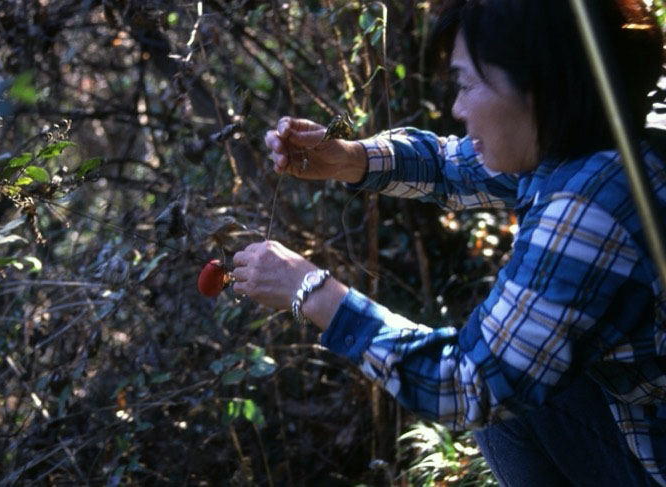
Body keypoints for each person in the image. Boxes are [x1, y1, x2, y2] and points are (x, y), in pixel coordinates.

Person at [230, 0, 666, 485]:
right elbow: (448, 166)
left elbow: (468, 386)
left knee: (504, 399)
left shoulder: (592, 206)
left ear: (539, 86)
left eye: (466, 84)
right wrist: (345, 158)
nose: (457, 107)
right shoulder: (610, 130)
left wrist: (311, 290)